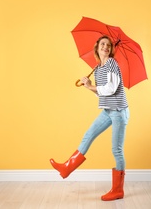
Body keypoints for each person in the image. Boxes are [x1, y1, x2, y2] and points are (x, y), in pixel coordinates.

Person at [50, 35, 130, 201]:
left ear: (111, 49)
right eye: (102, 44)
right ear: (97, 47)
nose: (105, 47)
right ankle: (67, 168)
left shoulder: (112, 64)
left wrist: (92, 86)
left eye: (108, 45)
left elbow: (111, 89)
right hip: (108, 110)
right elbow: (101, 95)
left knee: (116, 149)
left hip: (119, 111)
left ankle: (118, 190)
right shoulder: (98, 68)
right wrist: (88, 86)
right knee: (88, 135)